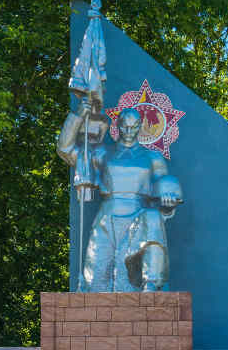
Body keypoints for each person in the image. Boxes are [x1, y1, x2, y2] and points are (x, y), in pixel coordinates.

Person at [57, 96, 182, 291]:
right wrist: (78, 115)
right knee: (95, 284)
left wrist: (168, 200)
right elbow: (65, 148)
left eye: (134, 127)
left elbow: (164, 189)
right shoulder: (102, 152)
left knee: (130, 286)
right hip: (106, 220)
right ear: (118, 126)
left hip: (139, 219)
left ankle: (150, 289)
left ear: (140, 126)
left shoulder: (153, 157)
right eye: (125, 127)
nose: (129, 132)